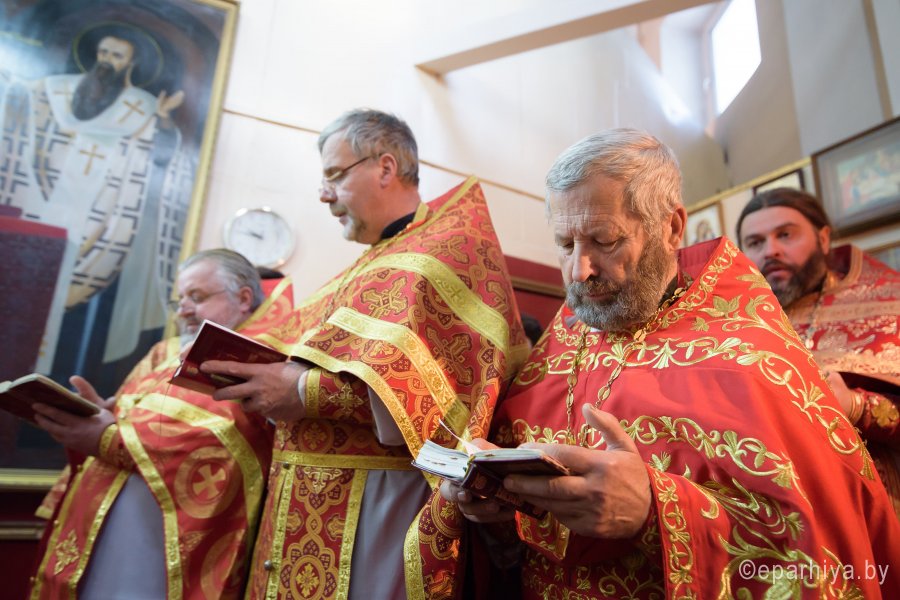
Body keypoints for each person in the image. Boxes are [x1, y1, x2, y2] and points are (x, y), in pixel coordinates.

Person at [443, 130, 900, 598]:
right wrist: (489, 502)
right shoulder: (566, 334)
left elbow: (818, 546)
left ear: (672, 227)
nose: (579, 270)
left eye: (604, 239)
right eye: (564, 244)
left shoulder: (746, 350)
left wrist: (654, 511)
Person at [201, 109, 528, 599]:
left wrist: (303, 391)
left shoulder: (445, 249)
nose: (324, 194)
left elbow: (443, 399)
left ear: (385, 167)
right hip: (295, 498)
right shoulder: (368, 263)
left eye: (334, 175)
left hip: (375, 506)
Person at [28, 249, 296, 599]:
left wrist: (107, 438)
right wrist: (105, 412)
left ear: (244, 298)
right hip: (103, 523)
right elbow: (131, 415)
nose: (183, 309)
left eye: (197, 297)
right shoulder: (164, 351)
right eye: (180, 299)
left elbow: (222, 440)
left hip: (163, 545)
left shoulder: (266, 359)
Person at [0, 22, 192, 370]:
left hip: (101, 225)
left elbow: (163, 158)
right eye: (103, 52)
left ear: (131, 63)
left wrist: (164, 122)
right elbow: (21, 99)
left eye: (117, 55)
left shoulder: (143, 108)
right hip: (41, 207)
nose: (106, 60)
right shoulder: (56, 90)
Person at [737, 187, 900, 517]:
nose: (771, 250)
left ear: (823, 239)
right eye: (755, 242)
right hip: (779, 511)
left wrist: (855, 405)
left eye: (785, 235)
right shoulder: (734, 323)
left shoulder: (888, 303)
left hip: (873, 505)